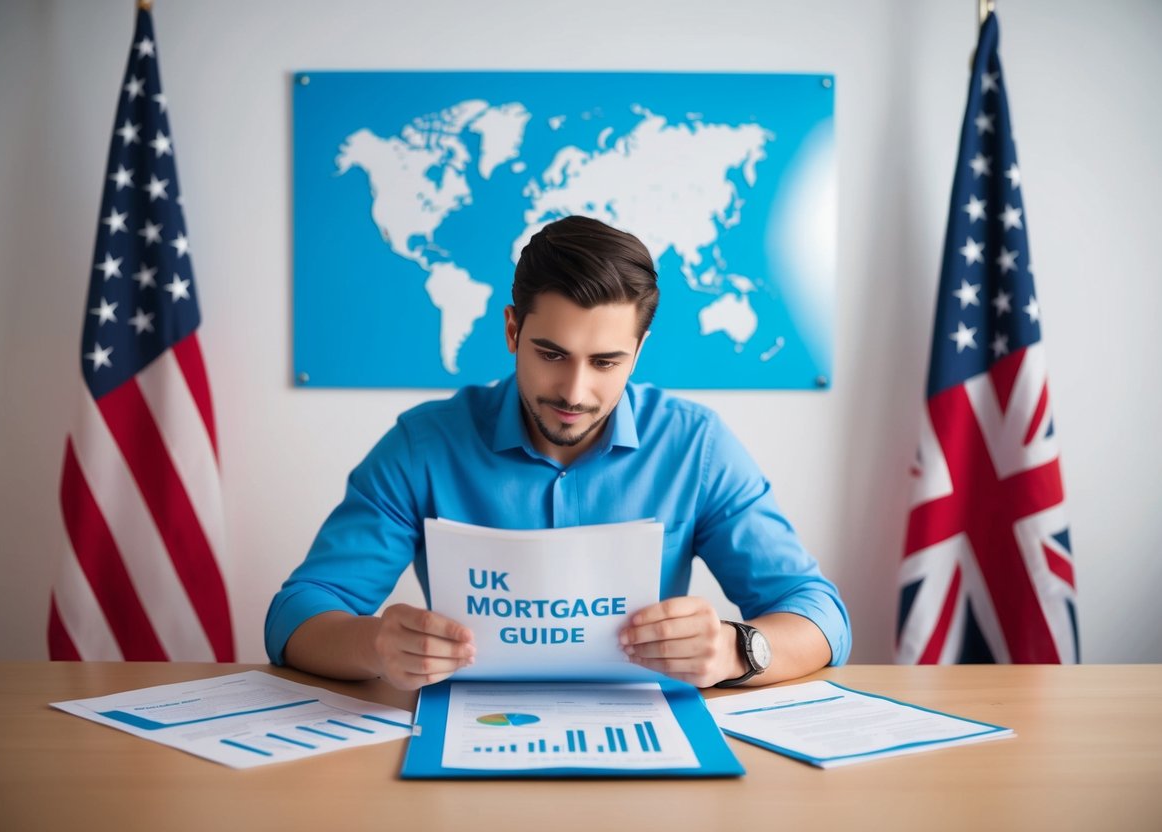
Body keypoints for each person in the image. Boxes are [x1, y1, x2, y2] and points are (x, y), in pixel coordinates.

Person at [265, 215, 850, 690]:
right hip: (464, 741)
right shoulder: (422, 445)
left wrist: (735, 649)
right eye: (551, 353)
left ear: (639, 351)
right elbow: (299, 612)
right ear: (513, 331)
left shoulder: (696, 446)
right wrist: (375, 645)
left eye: (605, 362)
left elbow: (818, 613)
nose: (574, 392)